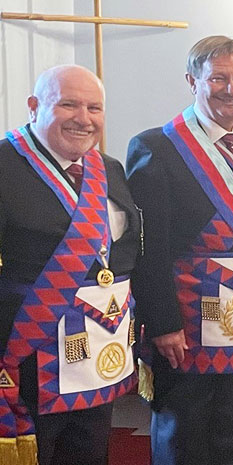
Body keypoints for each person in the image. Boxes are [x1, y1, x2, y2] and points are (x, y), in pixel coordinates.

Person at [127, 35, 233, 465]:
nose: (230, 89)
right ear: (192, 81)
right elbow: (149, 248)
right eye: (217, 78)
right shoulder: (157, 147)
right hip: (187, 322)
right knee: (185, 434)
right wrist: (162, 323)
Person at [0, 64, 139, 465]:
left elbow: (126, 252)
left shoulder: (108, 168)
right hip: (29, 356)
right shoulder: (5, 165)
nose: (84, 118)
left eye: (94, 108)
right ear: (33, 107)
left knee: (89, 455)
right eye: (68, 105)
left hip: (98, 349)